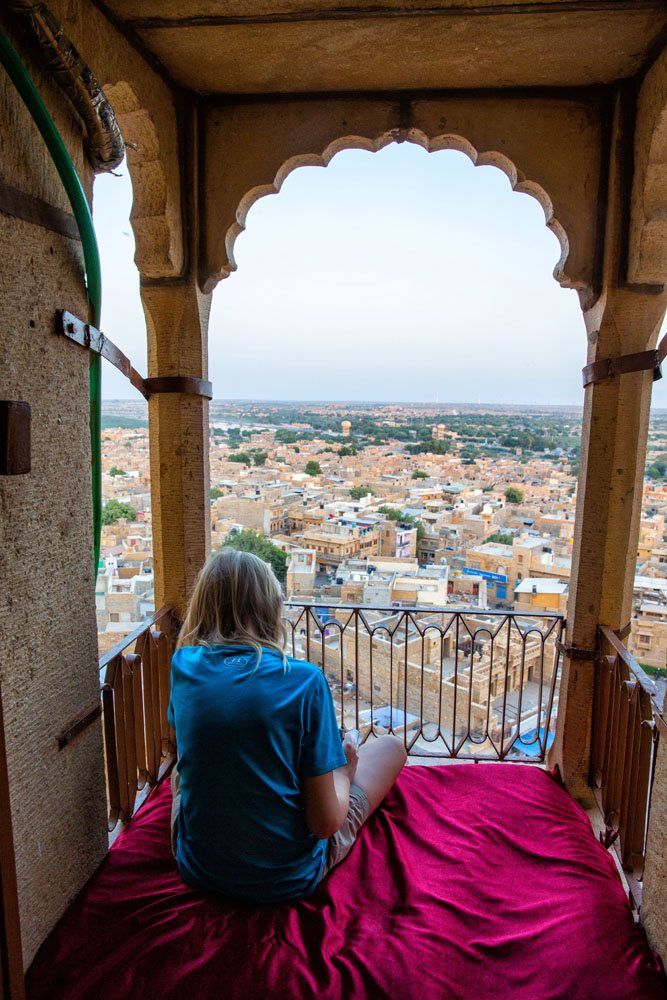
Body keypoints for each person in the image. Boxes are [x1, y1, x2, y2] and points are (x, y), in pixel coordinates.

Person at [167, 548, 407, 904]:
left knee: (178, 776)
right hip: (285, 878)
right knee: (390, 748)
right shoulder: (303, 681)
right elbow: (325, 824)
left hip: (201, 868)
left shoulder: (184, 664)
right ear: (269, 607)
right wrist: (344, 772)